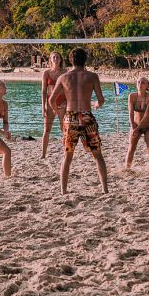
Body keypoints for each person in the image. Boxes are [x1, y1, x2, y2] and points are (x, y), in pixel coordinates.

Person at [49, 48, 108, 195]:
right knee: (97, 155)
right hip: (86, 116)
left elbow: (51, 100)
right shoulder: (92, 76)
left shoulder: (64, 77)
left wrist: (57, 111)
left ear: (70, 60)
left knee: (67, 156)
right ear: (85, 60)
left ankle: (63, 191)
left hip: (70, 117)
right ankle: (104, 189)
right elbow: (101, 99)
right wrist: (97, 104)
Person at [125, 76, 149, 169]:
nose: (140, 84)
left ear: (147, 86)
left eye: (143, 82)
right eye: (138, 82)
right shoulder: (132, 96)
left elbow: (146, 115)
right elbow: (130, 112)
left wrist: (137, 129)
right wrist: (133, 126)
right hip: (135, 124)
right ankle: (127, 168)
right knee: (131, 147)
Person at [40, 51, 67, 160]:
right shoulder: (46, 73)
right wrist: (43, 106)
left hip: (62, 102)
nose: (55, 58)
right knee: (46, 130)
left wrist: (68, 103)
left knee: (64, 129)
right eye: (53, 57)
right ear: (50, 60)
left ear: (60, 59)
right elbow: (43, 91)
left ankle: (66, 152)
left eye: (57, 57)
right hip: (50, 103)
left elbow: (68, 89)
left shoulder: (65, 72)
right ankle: (43, 154)